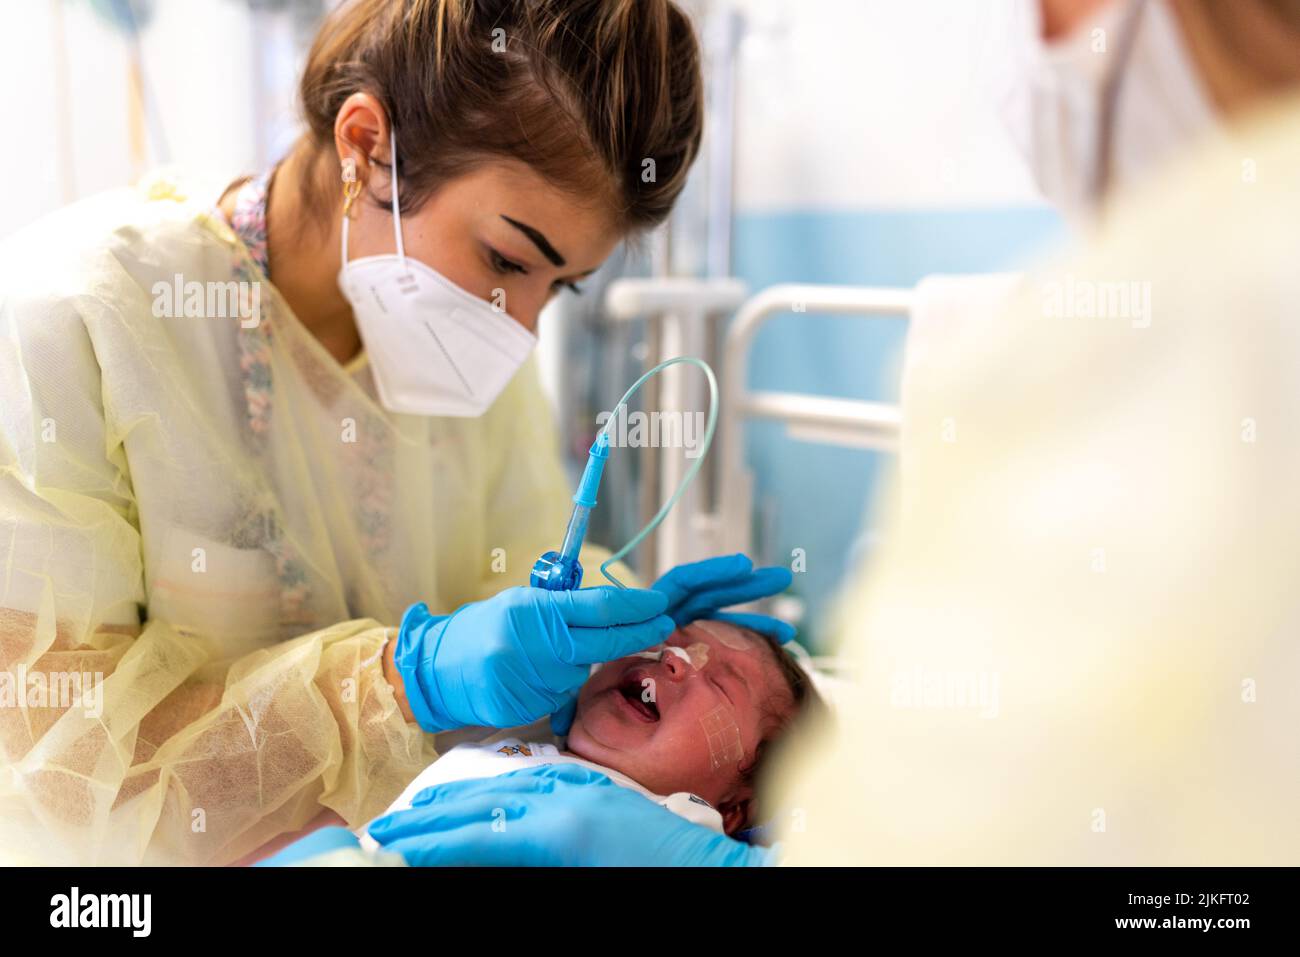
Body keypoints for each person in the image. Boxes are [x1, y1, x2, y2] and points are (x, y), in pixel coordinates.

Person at [355, 0, 1300, 867]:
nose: (671, 655)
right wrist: (417, 691)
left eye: (550, 284)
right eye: (511, 261)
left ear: (739, 803)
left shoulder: (1179, 349)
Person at [0, 0, 793, 866]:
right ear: (369, 144)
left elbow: (523, 571)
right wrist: (397, 684)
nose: (521, 327)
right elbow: (61, 785)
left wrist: (624, 625)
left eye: (560, 286)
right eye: (505, 259)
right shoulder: (74, 325)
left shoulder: (461, 357)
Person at [262, 619, 823, 865]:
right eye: (672, 640)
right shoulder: (521, 735)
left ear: (735, 807)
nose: (675, 659)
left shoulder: (675, 829)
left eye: (723, 684)